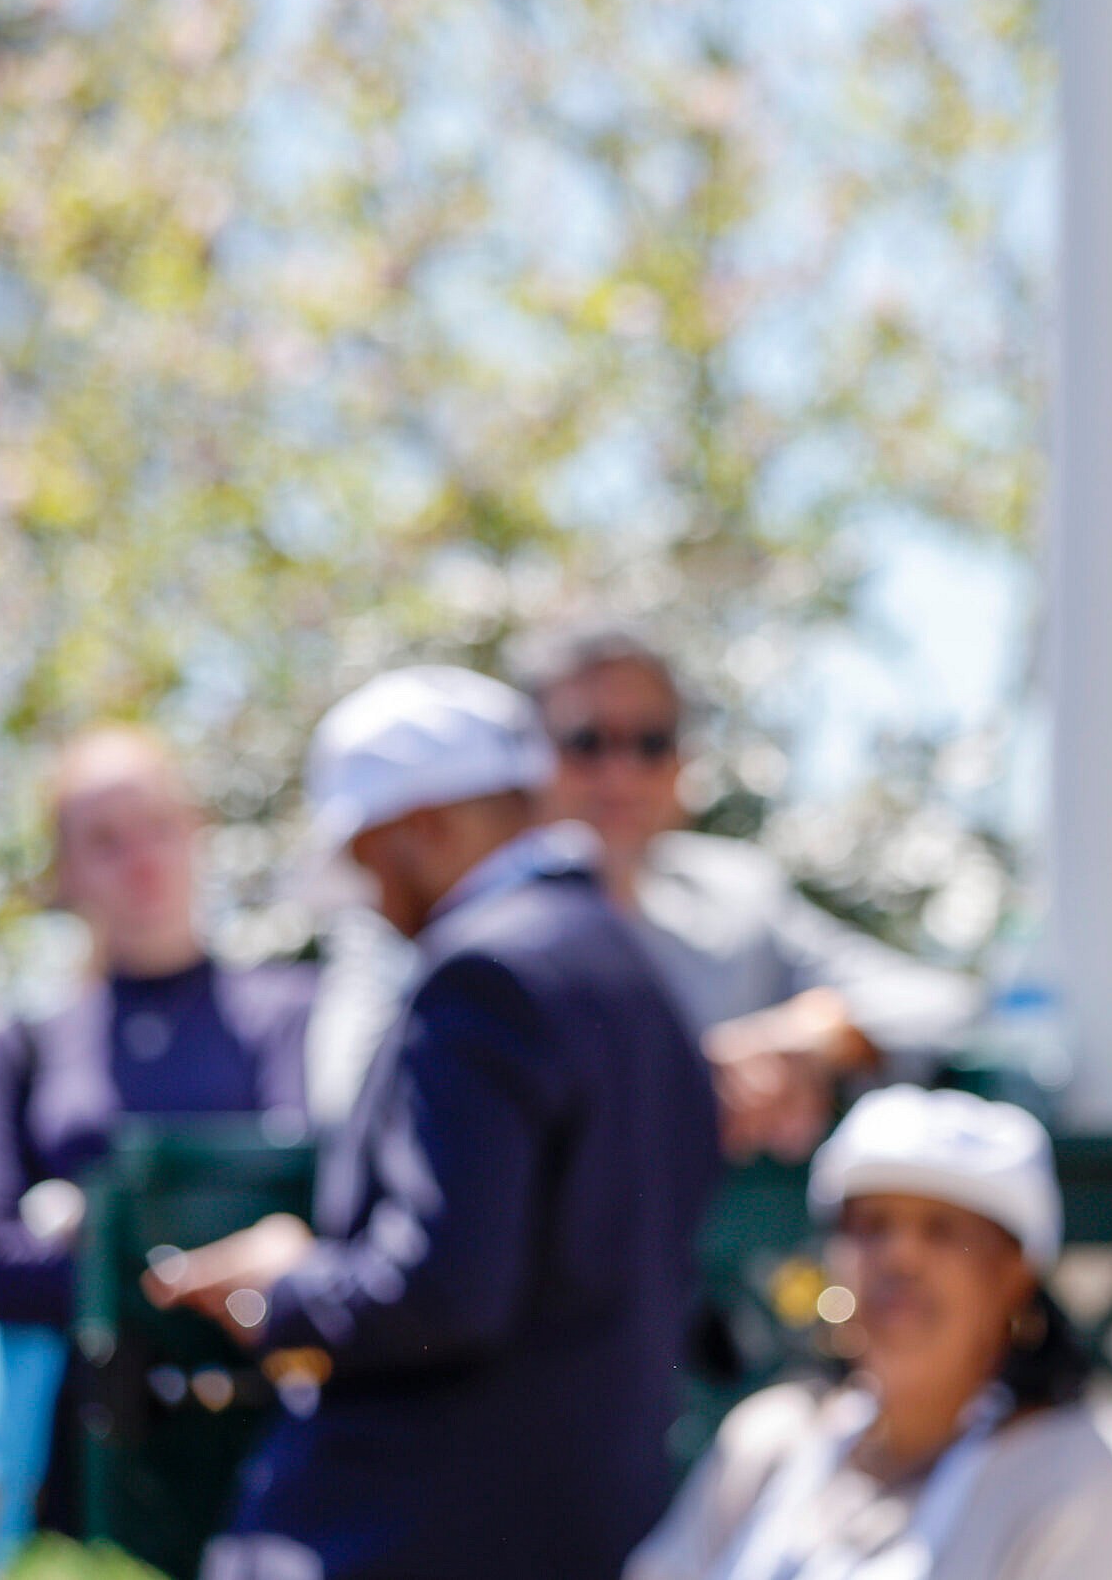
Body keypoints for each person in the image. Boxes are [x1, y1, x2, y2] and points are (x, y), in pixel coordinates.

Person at [148, 667, 719, 1580]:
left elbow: (443, 1295)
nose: (371, 894)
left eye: (370, 858)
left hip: (420, 1533)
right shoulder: (635, 974)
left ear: (425, 827)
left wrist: (281, 1288)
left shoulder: (481, 978)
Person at [0, 725, 313, 1524]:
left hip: (268, 1446)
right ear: (66, 871)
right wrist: (202, 1267)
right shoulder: (30, 1043)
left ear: (196, 832)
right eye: (105, 841)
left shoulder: (292, 1011)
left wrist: (95, 1233)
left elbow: (319, 1218)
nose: (140, 859)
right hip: (89, 1467)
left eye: (157, 826)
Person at [627, 1086, 1112, 1580]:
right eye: (870, 1227)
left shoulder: (1084, 1479)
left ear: (1015, 1275)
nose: (900, 1257)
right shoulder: (771, 1440)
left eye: (943, 1231)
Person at [509, 620, 981, 1160]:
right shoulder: (471, 908)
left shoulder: (736, 893)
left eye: (652, 742)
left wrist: (818, 1035)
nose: (622, 774)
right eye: (587, 743)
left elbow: (940, 1003)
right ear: (527, 756)